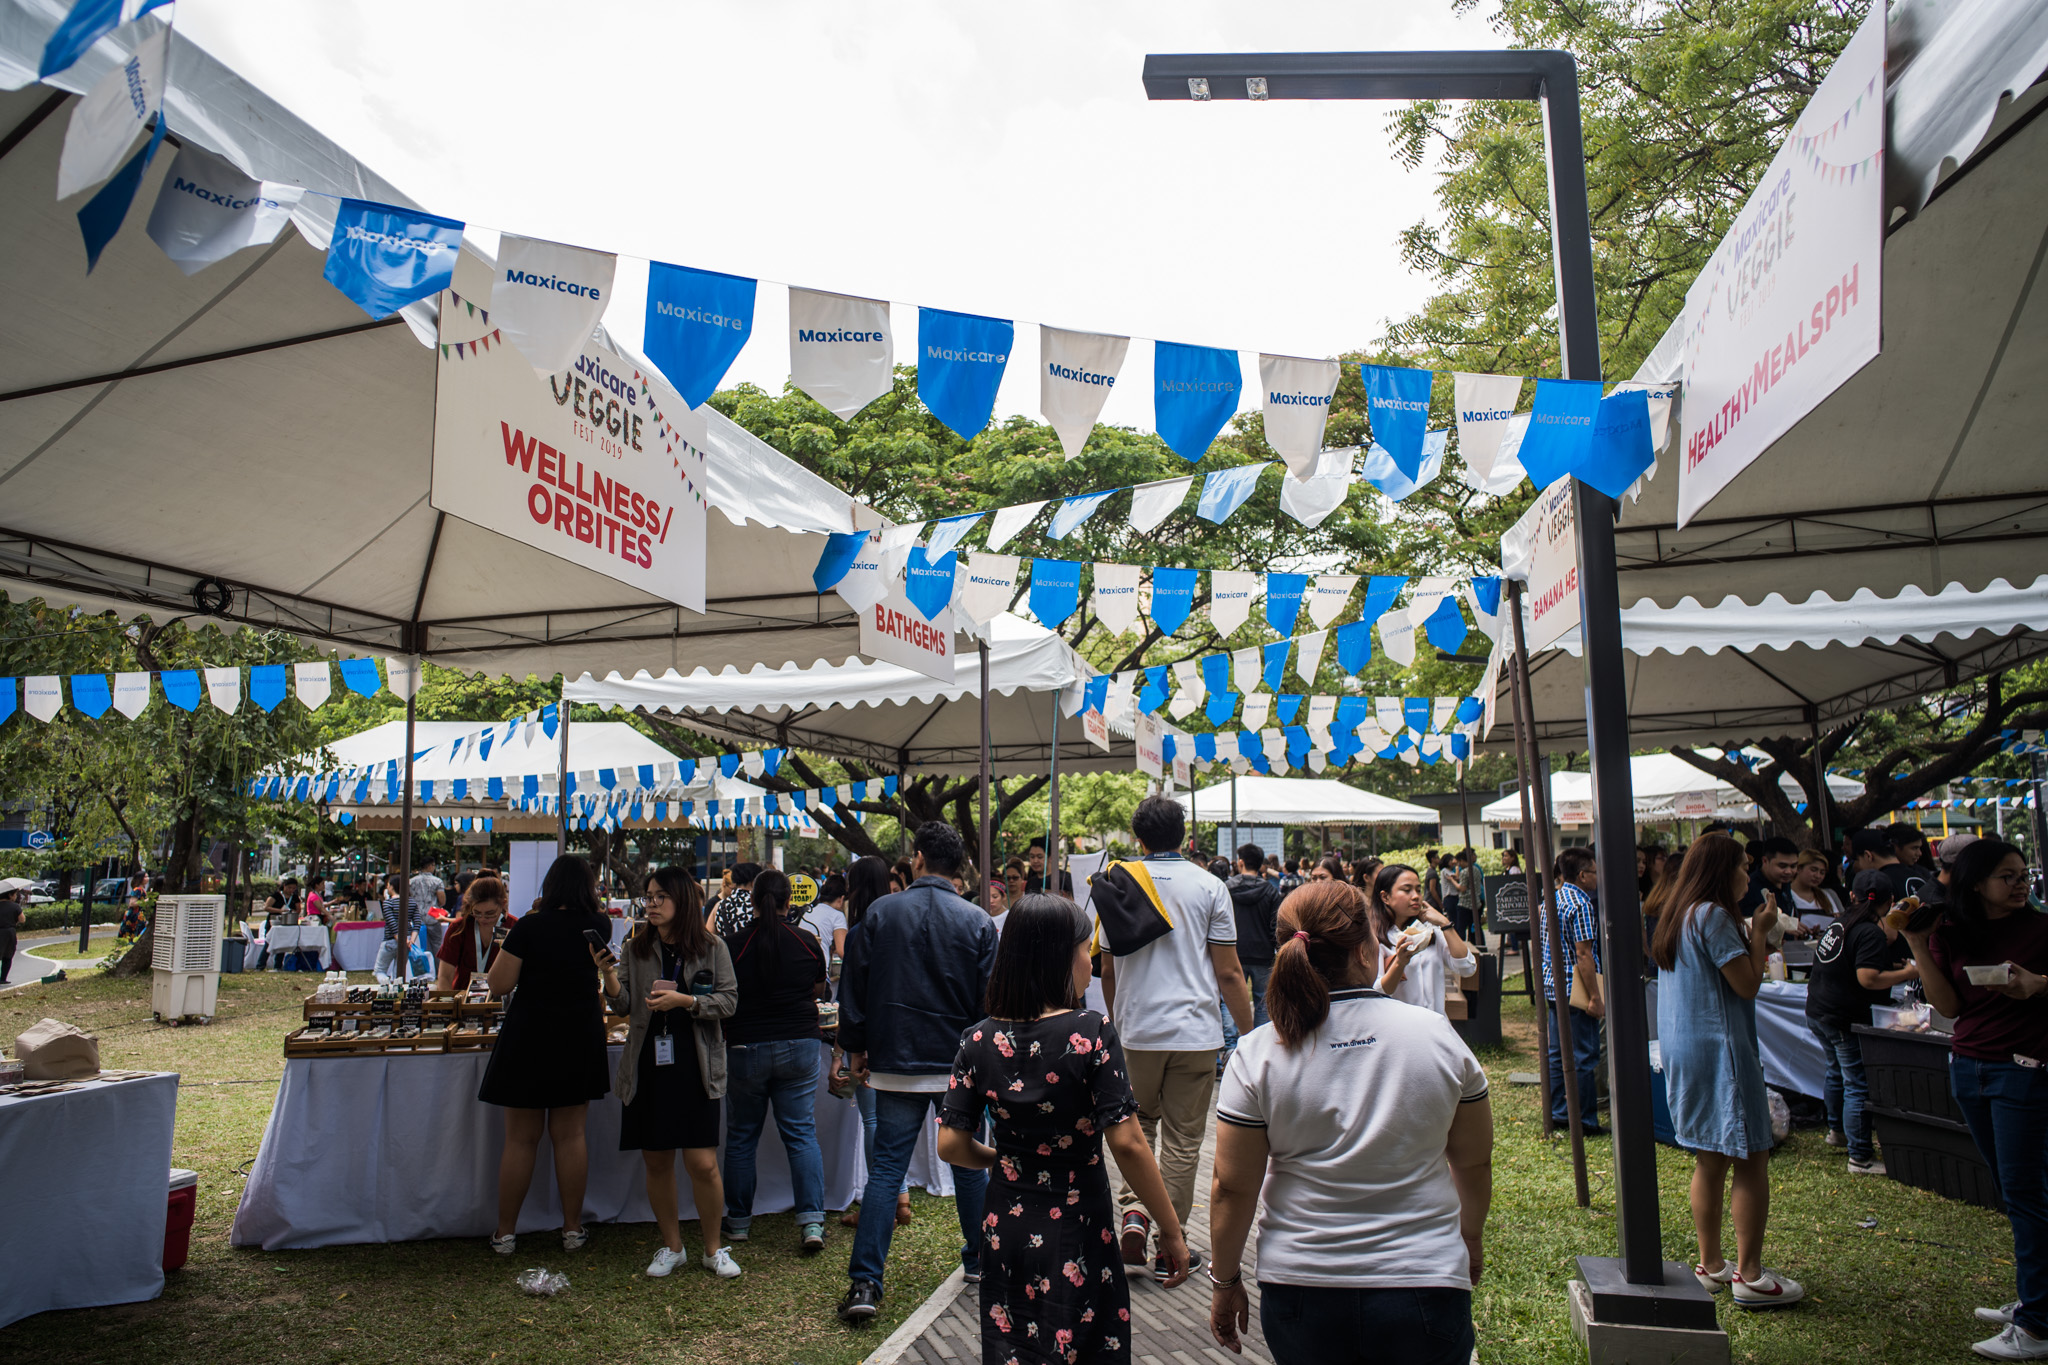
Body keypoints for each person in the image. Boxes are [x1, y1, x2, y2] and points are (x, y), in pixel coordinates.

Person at [1207, 879, 1494, 1364]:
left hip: (1301, 1290)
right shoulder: (1437, 1038)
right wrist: (1470, 1238)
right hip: (1424, 1280)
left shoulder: (1258, 1053)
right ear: (1366, 951)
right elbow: (1473, 1161)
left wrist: (1225, 1279)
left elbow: (1231, 1187)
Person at [937, 894, 1192, 1362]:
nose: (1089, 963)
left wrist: (1001, 1158)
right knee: (1082, 1339)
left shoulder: (976, 1039)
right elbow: (1129, 1143)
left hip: (1005, 1226)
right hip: (1079, 1222)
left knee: (1015, 1344)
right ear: (1060, 957)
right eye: (1084, 950)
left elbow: (951, 1143)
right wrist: (1172, 1232)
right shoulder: (1091, 1032)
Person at [837, 822, 998, 1325]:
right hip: (959, 1064)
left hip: (896, 1062)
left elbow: (853, 988)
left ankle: (866, 1282)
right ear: (959, 868)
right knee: (969, 1164)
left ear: (920, 859)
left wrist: (856, 1048)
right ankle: (980, 1260)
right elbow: (988, 1004)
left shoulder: (881, 913)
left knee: (887, 1169)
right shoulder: (978, 921)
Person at [1899, 838, 2048, 1359]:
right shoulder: (1954, 932)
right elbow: (1948, 1007)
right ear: (1977, 883)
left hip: (2024, 1071)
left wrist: (2039, 984)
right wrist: (1919, 946)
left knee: (2028, 1193)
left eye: (2022, 873)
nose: (2020, 883)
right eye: (2007, 876)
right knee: (2014, 1191)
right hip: (1968, 1067)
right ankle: (2037, 1299)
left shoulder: (2040, 928)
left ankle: (2037, 1324)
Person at [1093, 795, 1252, 1283]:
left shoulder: (1117, 882)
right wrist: (1252, 1034)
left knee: (1136, 1130)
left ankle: (1135, 1215)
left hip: (1137, 1032)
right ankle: (1170, 1244)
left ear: (1137, 837)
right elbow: (1228, 972)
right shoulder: (1209, 886)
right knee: (1184, 1142)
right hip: (1195, 1033)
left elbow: (1106, 968)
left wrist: (1121, 1022)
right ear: (1184, 834)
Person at [1650, 834, 1804, 1308]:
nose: (1747, 874)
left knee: (1709, 1157)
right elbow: (1747, 985)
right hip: (1721, 1052)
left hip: (1685, 1049)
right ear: (1723, 870)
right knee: (1752, 1157)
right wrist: (1760, 930)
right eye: (1743, 866)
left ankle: (1711, 1264)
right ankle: (1751, 1276)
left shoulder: (1679, 913)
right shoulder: (1714, 916)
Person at [479, 855, 616, 1255]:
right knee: (571, 1136)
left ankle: (505, 1233)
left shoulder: (529, 926)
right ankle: (572, 1229)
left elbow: (499, 984)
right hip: (579, 1031)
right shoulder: (599, 925)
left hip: (530, 1032)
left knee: (521, 1140)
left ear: (549, 885)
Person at [610, 866, 741, 1279]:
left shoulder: (711, 946)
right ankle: (672, 1246)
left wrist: (685, 1002)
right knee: (656, 1160)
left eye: (659, 896)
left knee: (702, 1162)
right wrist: (607, 975)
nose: (651, 903)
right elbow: (623, 1005)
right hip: (648, 1065)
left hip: (696, 1064)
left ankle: (713, 1248)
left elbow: (729, 1002)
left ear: (682, 900)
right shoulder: (637, 946)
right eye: (648, 896)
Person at [720, 869, 831, 1254]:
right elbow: (818, 988)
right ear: (790, 902)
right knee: (801, 1134)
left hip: (744, 1047)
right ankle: (812, 1221)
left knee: (741, 1137)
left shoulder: (732, 945)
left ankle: (737, 1223)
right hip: (800, 1045)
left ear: (753, 901)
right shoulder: (807, 941)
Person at [1804, 869, 1917, 1172]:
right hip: (1842, 1017)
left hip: (1818, 1010)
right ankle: (1860, 1156)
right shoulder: (1869, 930)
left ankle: (1837, 1132)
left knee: (1835, 1072)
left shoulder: (1840, 923)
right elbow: (1868, 978)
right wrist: (1908, 973)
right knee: (1856, 1082)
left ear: (1851, 896)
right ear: (1891, 901)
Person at [834, 855, 912, 1232]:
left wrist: (850, 1052)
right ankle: (900, 1198)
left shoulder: (861, 931)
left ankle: (879, 1204)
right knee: (886, 1122)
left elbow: (852, 998)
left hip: (873, 1040)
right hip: (903, 1038)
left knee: (874, 1121)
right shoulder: (901, 926)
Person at [1534, 847, 1604, 1135]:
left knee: (1557, 1052)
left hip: (1553, 986)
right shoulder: (1581, 903)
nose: (1598, 878)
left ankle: (1559, 1113)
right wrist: (1595, 997)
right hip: (1575, 989)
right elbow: (1583, 954)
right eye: (1595, 872)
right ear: (1583, 875)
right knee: (1584, 1055)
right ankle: (1585, 1120)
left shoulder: (1550, 898)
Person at [1370, 863, 1478, 1018]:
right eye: (1406, 890)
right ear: (1385, 897)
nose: (1415, 896)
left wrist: (1445, 924)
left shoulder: (1431, 932)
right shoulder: (1376, 938)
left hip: (1437, 1027)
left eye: (1418, 890)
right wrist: (1399, 963)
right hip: (1401, 1033)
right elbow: (1377, 992)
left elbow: (1467, 968)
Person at [1224, 844, 1282, 1029]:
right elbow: (1276, 926)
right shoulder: (1271, 891)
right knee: (1263, 1002)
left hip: (1233, 952)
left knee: (1229, 999)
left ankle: (1231, 1046)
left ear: (1240, 862)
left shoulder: (1226, 889)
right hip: (1263, 954)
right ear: (1260, 865)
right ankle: (1259, 1043)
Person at [435, 875, 508, 994]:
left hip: (501, 1003)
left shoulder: (513, 927)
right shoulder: (459, 928)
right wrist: (448, 1006)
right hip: (463, 1000)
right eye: (477, 913)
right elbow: (445, 976)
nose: (483, 919)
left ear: (503, 904)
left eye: (490, 913)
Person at [374, 874, 426, 982]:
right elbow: (417, 922)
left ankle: (386, 986)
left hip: (390, 941)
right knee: (399, 973)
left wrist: (402, 940)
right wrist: (411, 940)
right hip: (407, 941)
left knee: (379, 970)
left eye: (388, 885)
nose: (387, 888)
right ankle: (397, 991)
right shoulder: (411, 902)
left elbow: (392, 924)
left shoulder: (388, 903)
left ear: (392, 887)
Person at [801, 873, 850, 982]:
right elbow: (842, 951)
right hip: (819, 974)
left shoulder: (809, 912)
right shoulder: (837, 915)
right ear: (841, 899)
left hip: (802, 972)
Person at [1850, 828, 1918, 905]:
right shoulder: (1920, 876)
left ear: (1868, 856)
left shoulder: (1876, 884)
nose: (1856, 865)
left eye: (1857, 860)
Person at [1786, 850, 1846, 928]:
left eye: (1822, 872)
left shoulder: (1826, 895)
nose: (1818, 876)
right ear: (1799, 868)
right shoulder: (1786, 895)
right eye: (1813, 870)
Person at [710, 862, 762, 935]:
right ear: (753, 882)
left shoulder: (720, 906)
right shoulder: (759, 904)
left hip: (726, 946)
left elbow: (708, 937)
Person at [0, 886, 22, 984]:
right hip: (9, 932)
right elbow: (22, 919)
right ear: (9, 895)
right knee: (7, 956)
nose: (16, 896)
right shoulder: (15, 906)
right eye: (15, 894)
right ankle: (3, 979)